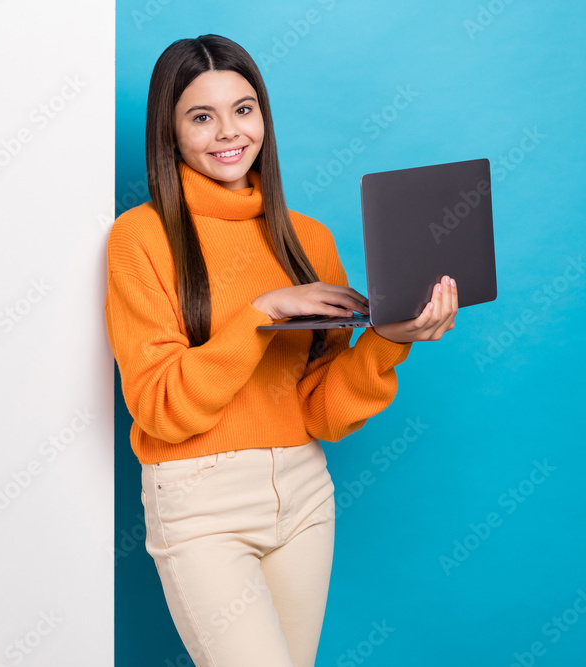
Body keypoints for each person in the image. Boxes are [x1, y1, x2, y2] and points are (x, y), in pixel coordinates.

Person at [104, 34, 457, 667]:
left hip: (302, 492)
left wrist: (387, 342)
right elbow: (161, 408)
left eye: (243, 109)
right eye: (200, 116)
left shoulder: (308, 240)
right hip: (200, 501)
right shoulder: (142, 237)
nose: (227, 133)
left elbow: (320, 413)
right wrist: (261, 313)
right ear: (171, 132)